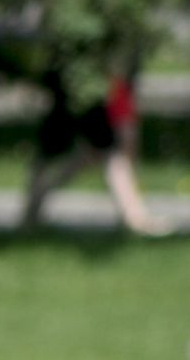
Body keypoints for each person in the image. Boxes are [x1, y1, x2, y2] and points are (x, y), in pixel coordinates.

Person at [23, 65, 170, 236]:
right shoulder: (112, 80)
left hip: (79, 96)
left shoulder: (85, 69)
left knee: (76, 161)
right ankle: (135, 218)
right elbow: (127, 132)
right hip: (92, 102)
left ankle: (31, 214)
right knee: (112, 161)